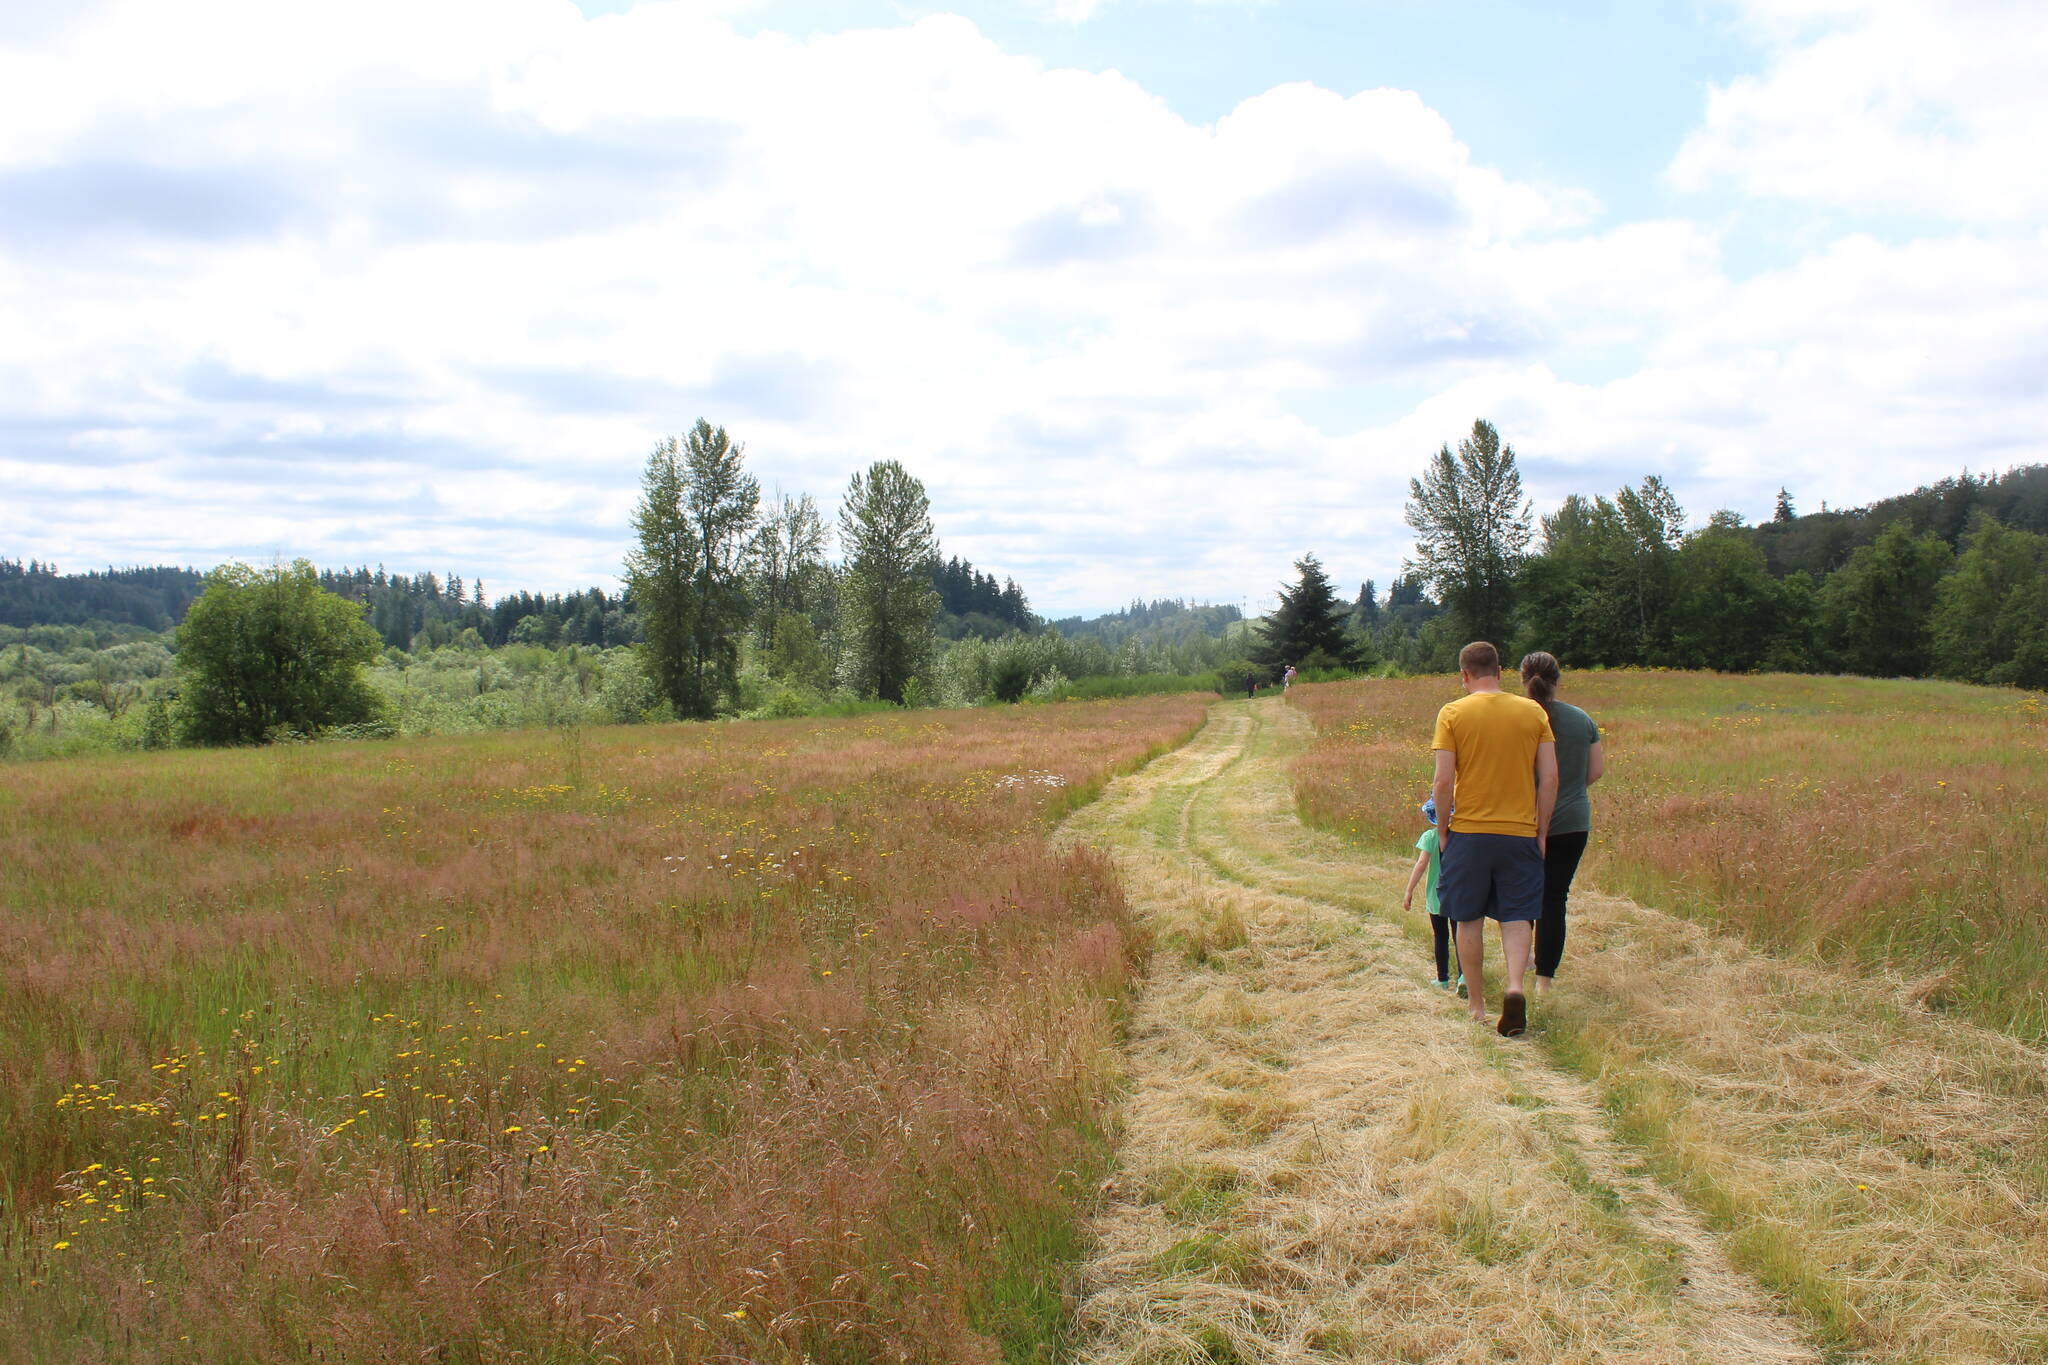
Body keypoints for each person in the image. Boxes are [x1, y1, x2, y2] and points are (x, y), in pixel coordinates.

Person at [1431, 640, 1557, 1036]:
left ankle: (1476, 1006)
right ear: (1500, 671)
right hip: (1518, 832)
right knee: (1517, 915)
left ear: (1464, 675)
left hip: (1469, 831)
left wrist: (1443, 831)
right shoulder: (1533, 711)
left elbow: (1443, 780)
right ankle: (1516, 987)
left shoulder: (1452, 713)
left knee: (1467, 917)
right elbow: (1550, 778)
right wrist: (1541, 831)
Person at [1518, 651, 1603, 996]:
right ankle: (1544, 983)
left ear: (1522, 679)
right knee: (1554, 899)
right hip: (1571, 822)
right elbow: (1595, 771)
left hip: (1523, 820)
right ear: (1558, 679)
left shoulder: (1518, 718)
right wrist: (1566, 790)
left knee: (1521, 895)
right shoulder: (1581, 719)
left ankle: (1519, 964)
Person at [1401, 795, 1462, 993]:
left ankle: (1442, 979)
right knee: (1460, 936)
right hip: (1458, 895)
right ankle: (1464, 977)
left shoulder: (1430, 837)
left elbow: (1421, 865)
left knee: (1440, 937)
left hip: (1436, 898)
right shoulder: (1460, 837)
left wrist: (1409, 891)